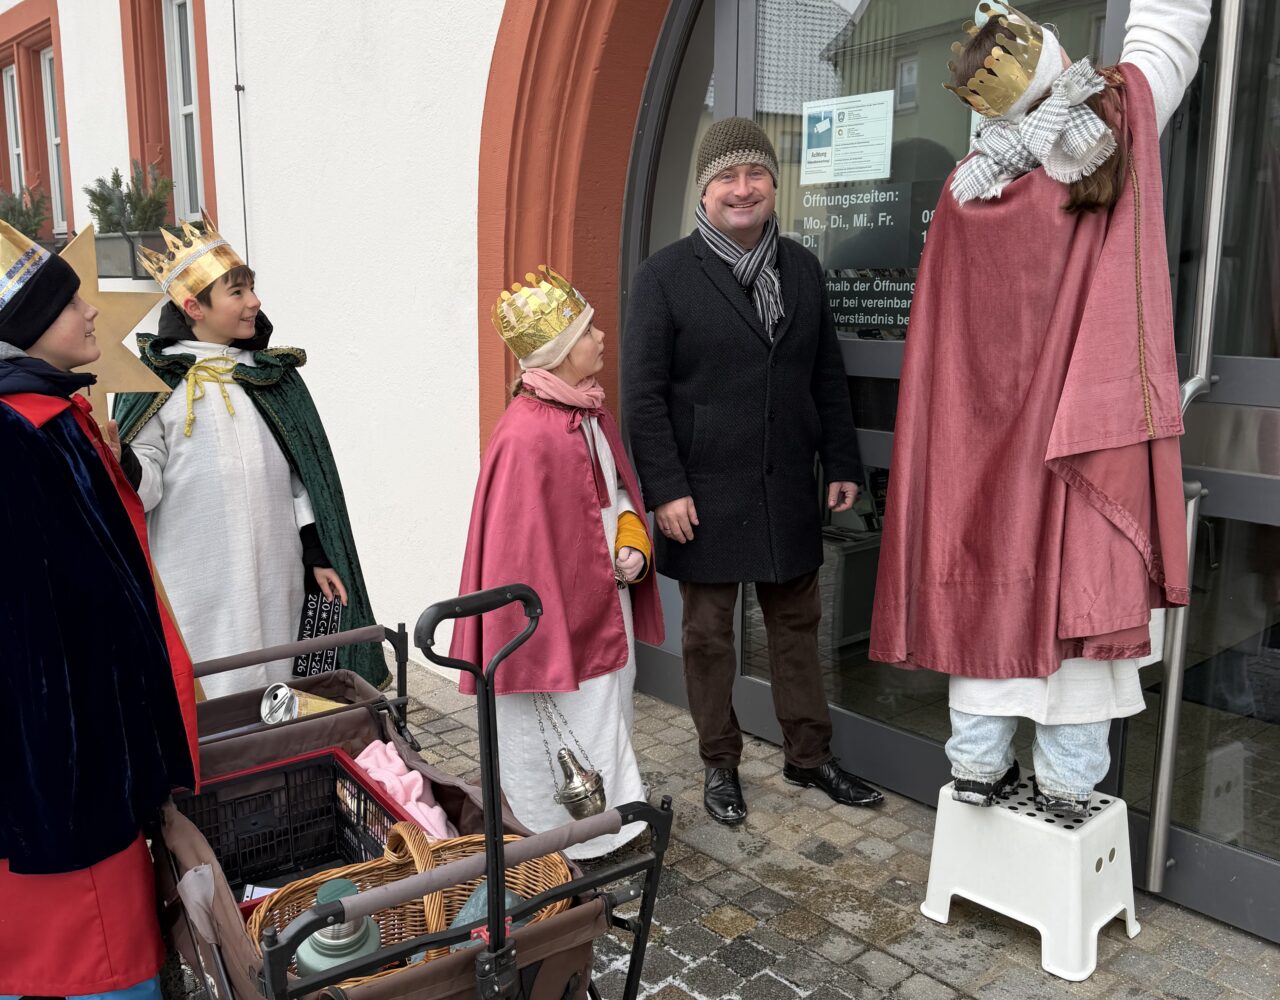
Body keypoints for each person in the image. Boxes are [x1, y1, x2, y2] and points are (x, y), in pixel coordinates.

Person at [869, 0, 1211, 814]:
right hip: (1080, 452)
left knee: (984, 598)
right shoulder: (1109, 140)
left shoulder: (966, 193)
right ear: (1063, 72)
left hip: (979, 465)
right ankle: (1065, 788)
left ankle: (977, 771)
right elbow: (1169, 37)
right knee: (1078, 615)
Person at [624, 117, 883, 826]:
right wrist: (665, 489)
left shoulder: (799, 267)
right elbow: (642, 395)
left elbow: (825, 373)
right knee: (709, 636)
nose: (743, 189)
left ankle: (810, 756)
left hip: (785, 485)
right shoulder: (665, 277)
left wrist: (842, 459)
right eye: (727, 177)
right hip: (703, 491)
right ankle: (721, 764)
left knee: (798, 624)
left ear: (774, 183)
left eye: (756, 174)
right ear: (705, 191)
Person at [0, 221, 197, 999]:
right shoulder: (19, 437)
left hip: (95, 746)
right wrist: (73, 776)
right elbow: (27, 631)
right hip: (68, 769)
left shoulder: (54, 420)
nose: (91, 313)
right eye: (70, 302)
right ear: (25, 328)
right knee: (90, 957)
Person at [113, 214, 386, 696]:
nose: (254, 302)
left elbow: (302, 479)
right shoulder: (155, 380)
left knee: (283, 670)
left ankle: (285, 761)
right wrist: (124, 458)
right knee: (214, 679)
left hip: (277, 567)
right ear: (193, 306)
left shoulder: (270, 376)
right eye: (236, 292)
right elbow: (147, 487)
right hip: (195, 571)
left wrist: (316, 555)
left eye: (251, 289)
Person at [451, 265, 664, 859]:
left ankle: (612, 824)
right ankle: (555, 838)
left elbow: (614, 492)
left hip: (602, 593)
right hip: (554, 613)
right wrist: (537, 630)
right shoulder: (527, 433)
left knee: (606, 706)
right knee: (558, 713)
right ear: (564, 351)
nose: (601, 339)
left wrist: (630, 536)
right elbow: (519, 548)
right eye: (589, 331)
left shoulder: (588, 412)